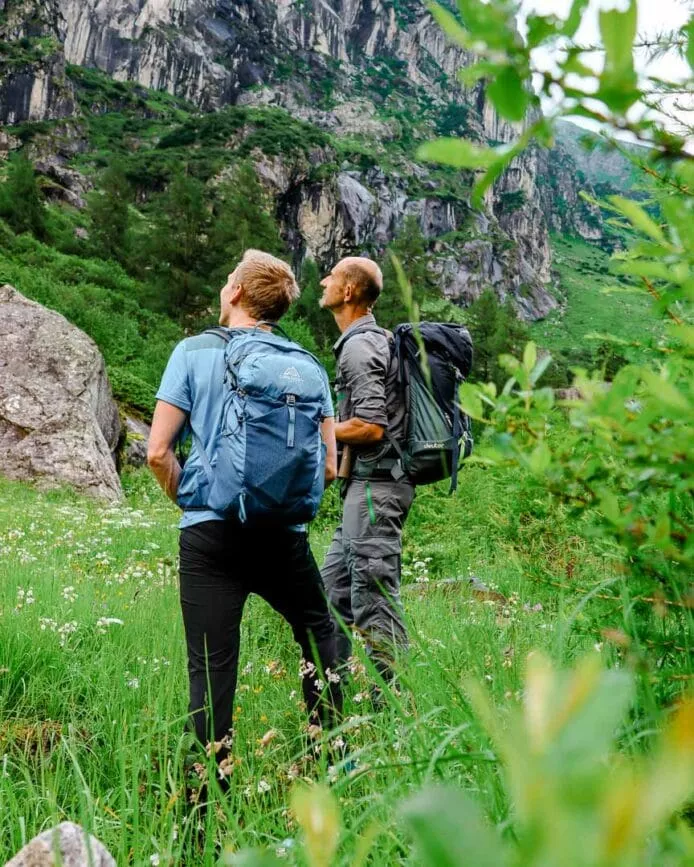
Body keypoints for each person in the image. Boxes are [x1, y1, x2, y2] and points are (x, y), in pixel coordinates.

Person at [147, 249, 342, 786]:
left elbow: (157, 452)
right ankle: (329, 759)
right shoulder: (307, 365)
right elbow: (329, 466)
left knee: (211, 670)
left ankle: (205, 801)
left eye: (228, 278)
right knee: (322, 633)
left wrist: (193, 501)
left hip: (210, 536)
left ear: (235, 292)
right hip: (283, 538)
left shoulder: (193, 352)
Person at [319, 256, 415, 690]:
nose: (324, 281)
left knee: (373, 600)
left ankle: (394, 711)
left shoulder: (360, 347)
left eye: (332, 277)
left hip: (376, 492)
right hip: (366, 489)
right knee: (332, 593)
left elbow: (371, 426)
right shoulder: (369, 341)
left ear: (348, 292)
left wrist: (317, 427)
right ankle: (330, 698)